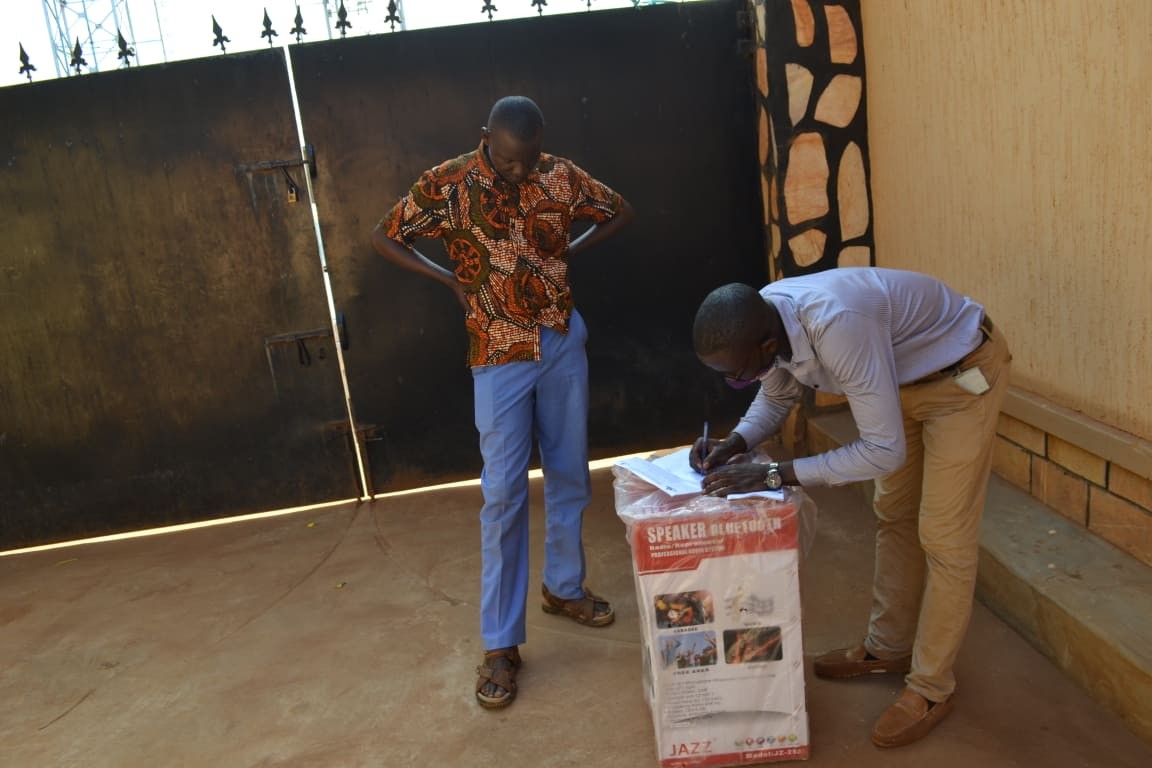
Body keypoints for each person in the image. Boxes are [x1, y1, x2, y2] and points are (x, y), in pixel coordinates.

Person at [371, 96, 634, 709]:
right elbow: (385, 236)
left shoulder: (560, 176)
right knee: (504, 496)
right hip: (496, 350)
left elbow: (620, 211)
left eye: (529, 159)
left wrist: (570, 252)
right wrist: (448, 280)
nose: (520, 171)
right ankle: (500, 643)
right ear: (486, 136)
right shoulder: (448, 184)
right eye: (511, 159)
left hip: (560, 340)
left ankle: (563, 587)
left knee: (570, 475)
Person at [689, 267, 1011, 747]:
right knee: (893, 514)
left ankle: (930, 687)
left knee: (943, 535)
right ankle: (887, 648)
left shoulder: (836, 324)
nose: (732, 380)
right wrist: (736, 441)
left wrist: (774, 474)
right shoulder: (767, 316)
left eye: (735, 373)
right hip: (899, 380)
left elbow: (883, 451)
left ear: (765, 343)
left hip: (960, 378)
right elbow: (777, 394)